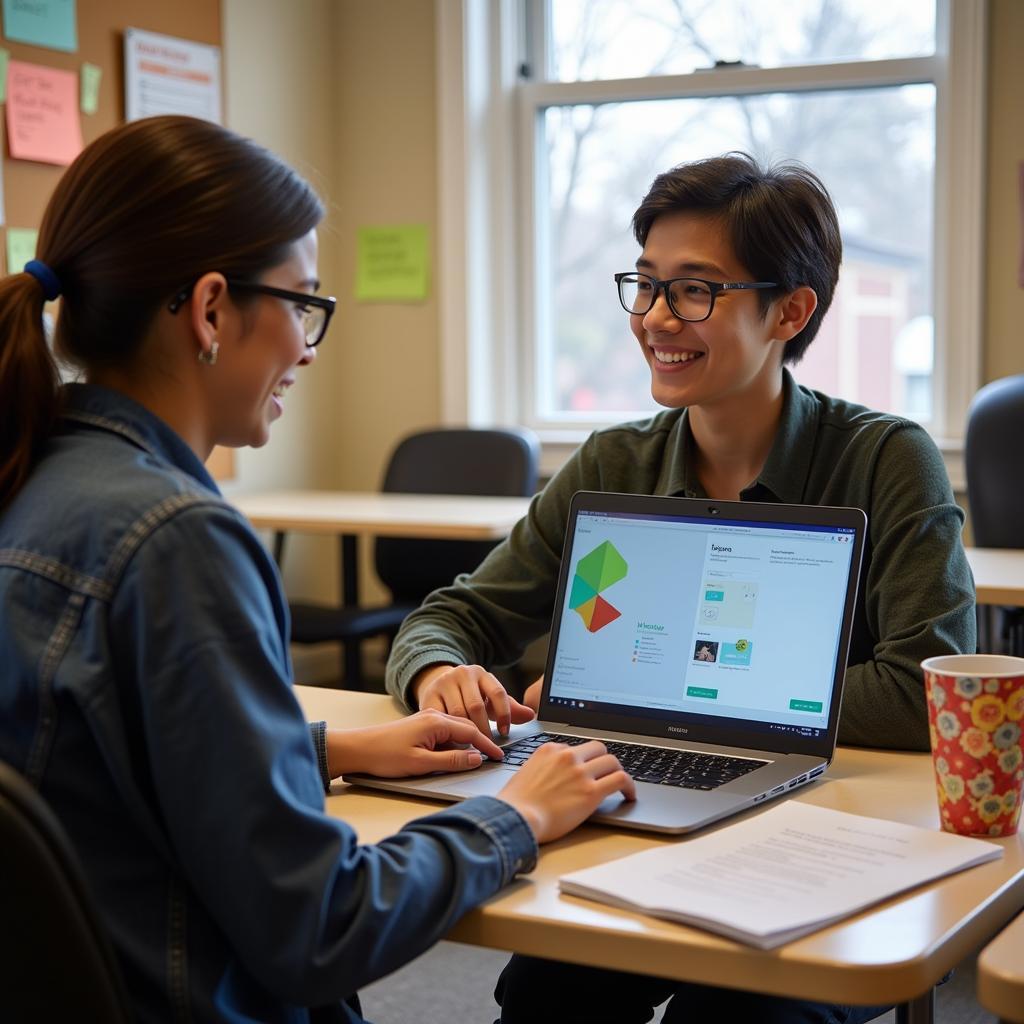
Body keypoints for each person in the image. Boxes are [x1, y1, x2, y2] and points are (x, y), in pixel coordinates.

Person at [0, 116, 635, 1023]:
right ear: (212, 310)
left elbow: (86, 770)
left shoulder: (31, 475)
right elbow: (320, 927)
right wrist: (518, 815)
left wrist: (328, 749)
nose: (305, 345)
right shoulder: (177, 540)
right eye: (303, 305)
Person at [385, 153, 976, 1023]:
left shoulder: (885, 458)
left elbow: (929, 687)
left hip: (819, 837)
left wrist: (645, 697)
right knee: (549, 994)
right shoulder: (614, 461)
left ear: (791, 310)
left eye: (695, 290)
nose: (657, 318)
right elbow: (454, 614)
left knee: (736, 1014)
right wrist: (440, 673)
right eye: (647, 286)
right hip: (641, 803)